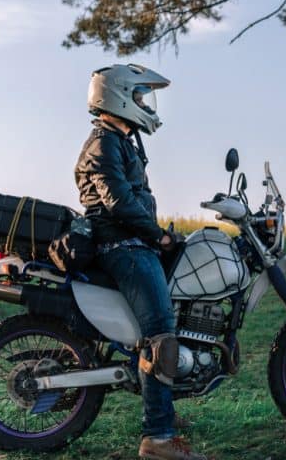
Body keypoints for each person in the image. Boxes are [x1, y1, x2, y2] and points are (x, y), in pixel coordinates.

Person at [74, 64, 206, 460]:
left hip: (134, 242)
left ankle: (161, 406)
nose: (144, 104)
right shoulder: (104, 142)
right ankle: (158, 439)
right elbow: (119, 203)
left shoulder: (121, 139)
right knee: (161, 332)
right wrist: (157, 235)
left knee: (172, 314)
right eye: (139, 96)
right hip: (123, 247)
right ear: (118, 96)